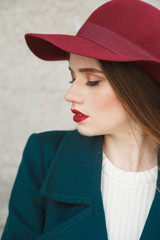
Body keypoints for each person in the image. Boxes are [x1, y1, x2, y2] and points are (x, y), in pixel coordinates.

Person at [2, 0, 160, 239]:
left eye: (92, 81)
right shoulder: (44, 157)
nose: (70, 95)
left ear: (139, 88)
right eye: (72, 78)